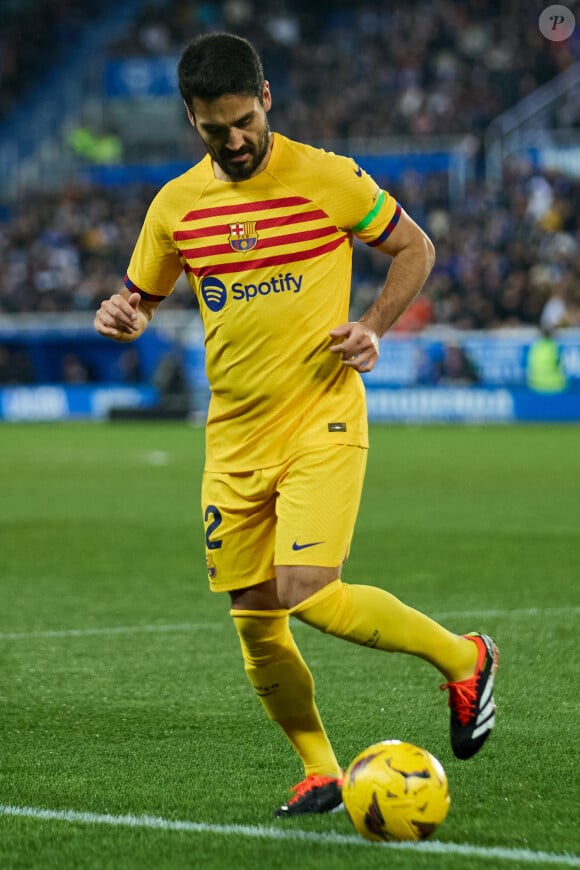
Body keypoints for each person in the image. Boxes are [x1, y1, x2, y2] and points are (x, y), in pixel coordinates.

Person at [94, 32, 498, 818]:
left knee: (307, 591)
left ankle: (465, 658)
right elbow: (140, 296)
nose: (236, 139)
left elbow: (415, 248)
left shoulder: (326, 177)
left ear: (267, 97)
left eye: (244, 120)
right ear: (192, 119)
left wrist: (375, 325)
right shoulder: (175, 206)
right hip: (233, 438)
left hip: (321, 415)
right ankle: (320, 769)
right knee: (255, 620)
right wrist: (125, 312)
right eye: (216, 129)